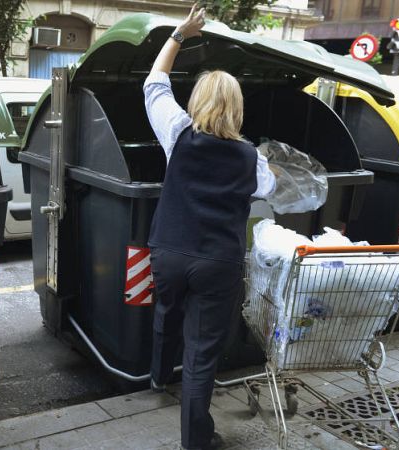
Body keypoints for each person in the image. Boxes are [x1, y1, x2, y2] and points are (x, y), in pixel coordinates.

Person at [143, 5, 277, 450]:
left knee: (167, 312)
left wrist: (179, 35)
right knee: (201, 356)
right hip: (218, 262)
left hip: (169, 252)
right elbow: (268, 189)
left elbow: (154, 83)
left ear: (196, 102)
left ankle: (158, 376)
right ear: (237, 108)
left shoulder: (177, 132)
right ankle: (195, 440)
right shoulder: (252, 158)